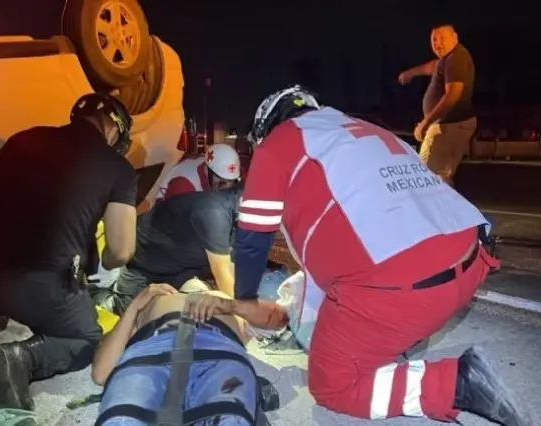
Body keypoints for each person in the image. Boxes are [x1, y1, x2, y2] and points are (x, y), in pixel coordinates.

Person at [198, 85, 530, 426]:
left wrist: (245, 300)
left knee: (331, 385)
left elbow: (253, 239)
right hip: (469, 262)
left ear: (269, 127)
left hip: (407, 293)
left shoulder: (280, 142)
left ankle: (454, 385)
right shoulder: (368, 130)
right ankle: (391, 344)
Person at [0, 93, 139, 410]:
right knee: (88, 340)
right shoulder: (118, 169)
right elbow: (121, 251)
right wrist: (96, 266)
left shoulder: (22, 140)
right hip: (41, 289)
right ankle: (22, 358)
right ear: (113, 126)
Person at [92, 279, 285, 426]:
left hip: (219, 352)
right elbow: (101, 373)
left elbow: (281, 317)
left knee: (232, 417)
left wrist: (232, 305)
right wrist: (135, 306)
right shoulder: (154, 298)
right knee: (122, 418)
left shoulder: (228, 302)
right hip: (154, 349)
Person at [93, 184, 242, 315]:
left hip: (178, 269)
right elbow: (223, 274)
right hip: (143, 266)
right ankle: (94, 293)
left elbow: (232, 268)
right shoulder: (213, 211)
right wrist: (243, 317)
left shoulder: (238, 216)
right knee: (132, 315)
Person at [398, 24, 476, 187]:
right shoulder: (447, 59)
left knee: (424, 177)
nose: (438, 43)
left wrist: (425, 123)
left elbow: (452, 95)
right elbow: (431, 67)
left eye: (443, 38)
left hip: (446, 126)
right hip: (454, 124)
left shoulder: (455, 59)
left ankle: (429, 210)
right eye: (434, 39)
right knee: (442, 175)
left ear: (455, 38)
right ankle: (448, 209)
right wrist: (411, 73)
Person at [156, 144, 241, 201]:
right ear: (209, 171)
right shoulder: (185, 186)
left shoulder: (208, 165)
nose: (224, 188)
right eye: (222, 183)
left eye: (231, 181)